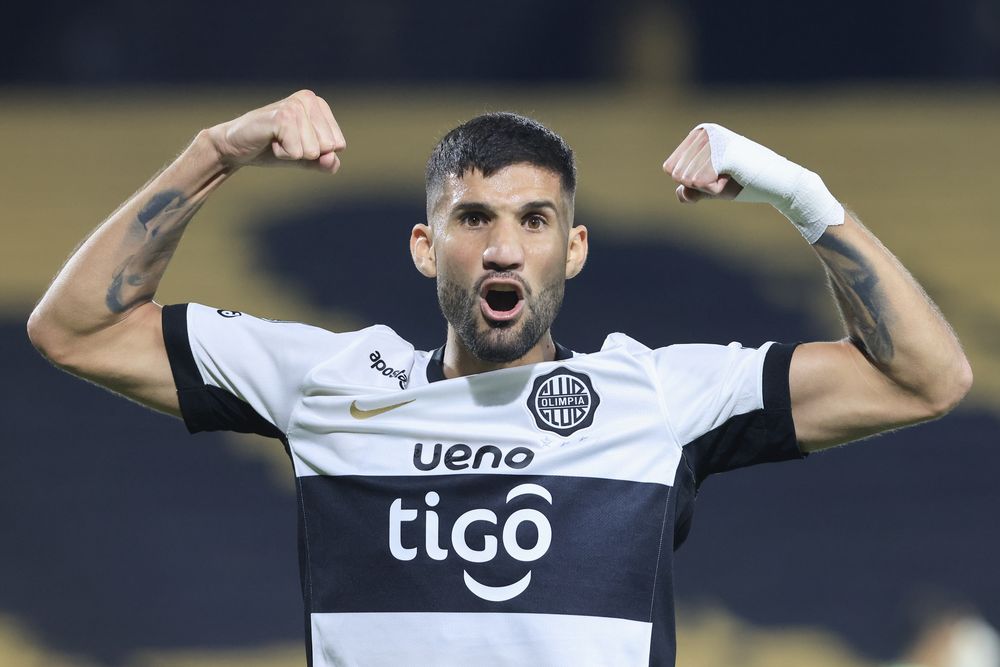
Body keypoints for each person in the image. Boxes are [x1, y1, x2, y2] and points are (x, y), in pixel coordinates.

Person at [27, 90, 972, 666]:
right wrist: (218, 151)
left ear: (577, 248)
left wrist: (796, 192)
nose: (503, 248)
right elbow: (77, 326)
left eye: (534, 219)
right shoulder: (330, 380)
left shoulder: (657, 397)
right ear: (424, 246)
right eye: (474, 219)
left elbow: (926, 378)